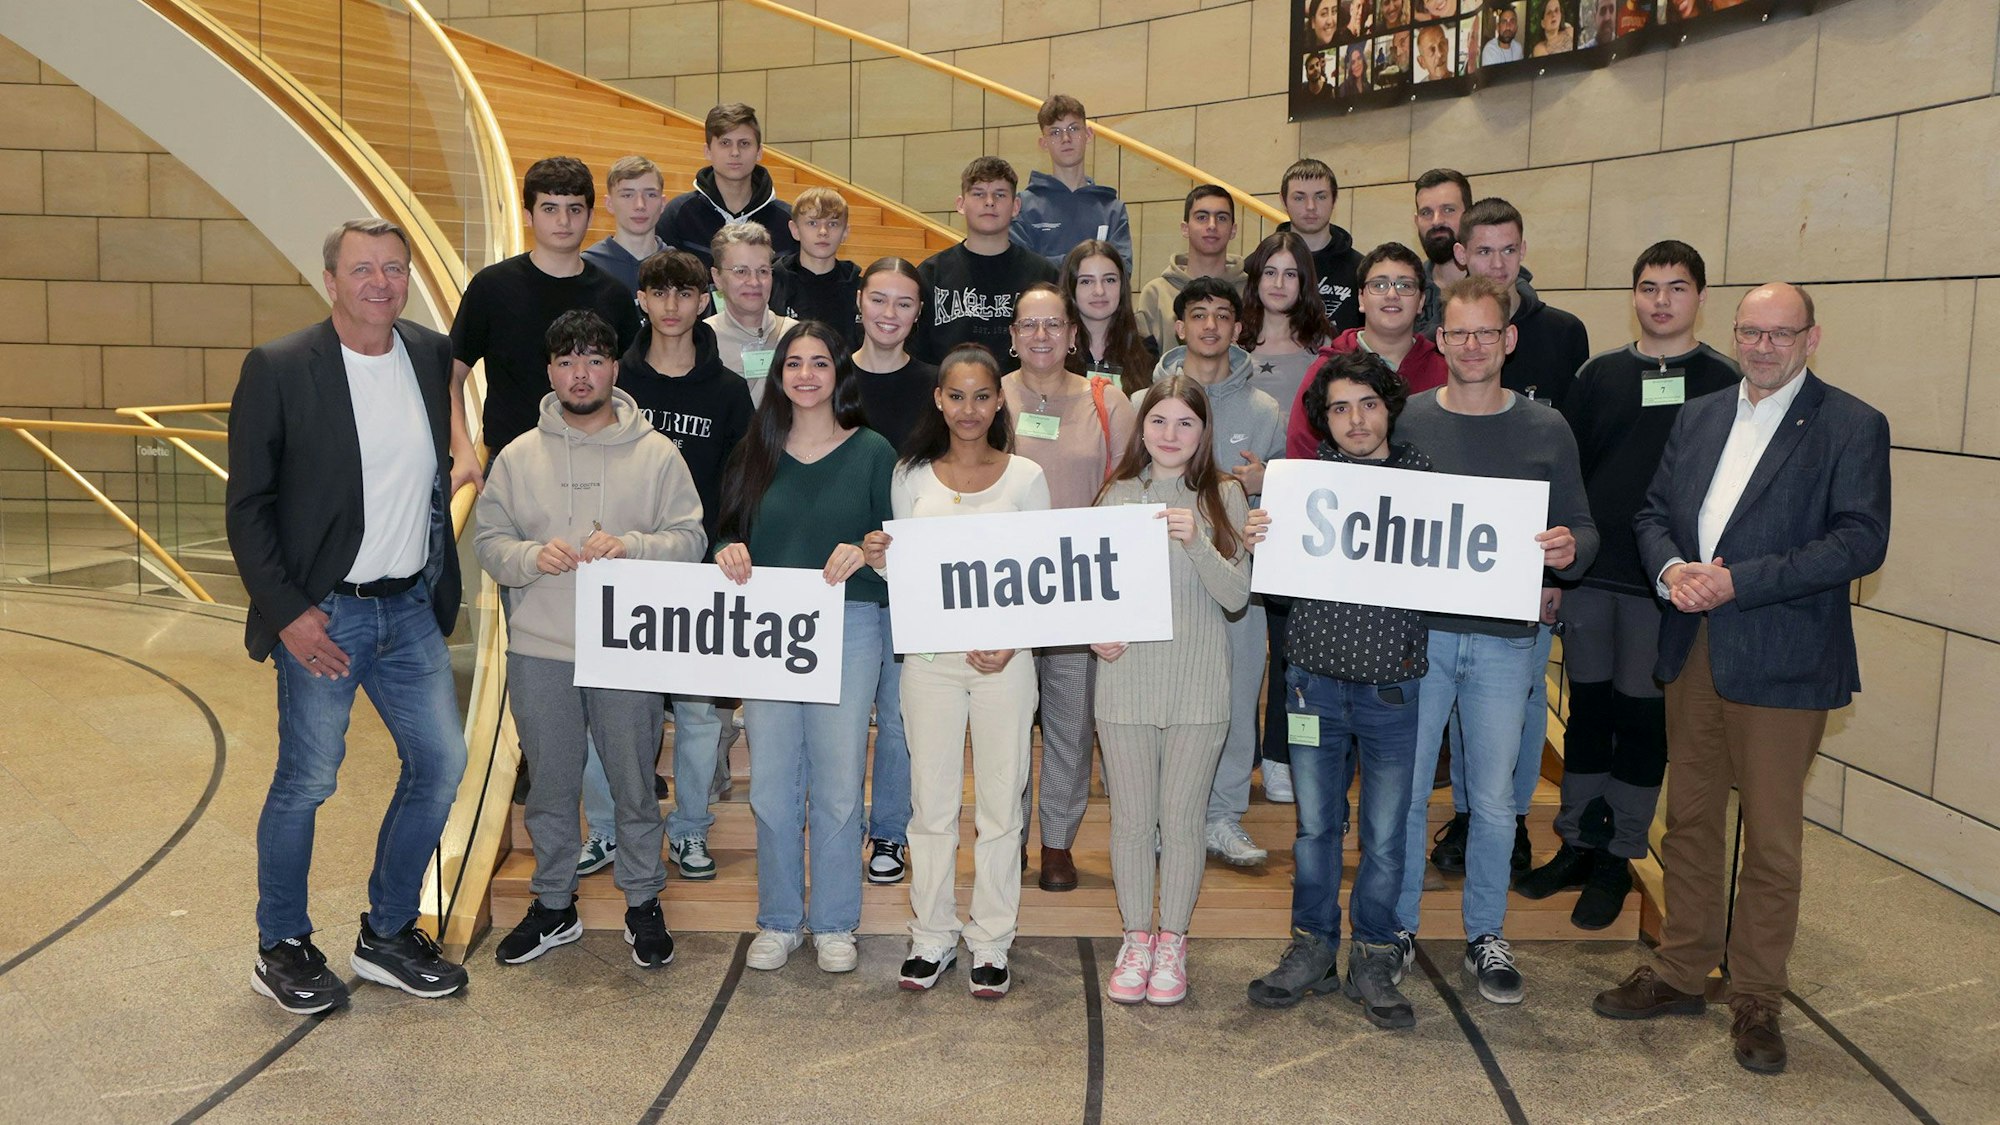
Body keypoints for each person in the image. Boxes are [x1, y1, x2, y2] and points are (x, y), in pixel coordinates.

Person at [1594, 283, 1891, 1075]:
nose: (1763, 347)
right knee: (1689, 819)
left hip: (1783, 656)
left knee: (1771, 837)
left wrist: (1738, 582)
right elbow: (1653, 512)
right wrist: (1671, 570)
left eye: (1780, 333)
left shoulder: (1851, 424)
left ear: (1812, 338)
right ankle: (1681, 968)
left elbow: (1860, 540)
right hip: (1692, 643)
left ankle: (1757, 994)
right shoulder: (1699, 415)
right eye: (1751, 332)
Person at [229, 218, 468, 1013]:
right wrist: (289, 613)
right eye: (363, 268)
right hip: (323, 615)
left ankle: (389, 932)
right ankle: (281, 944)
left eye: (394, 268)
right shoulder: (278, 367)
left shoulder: (429, 353)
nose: (380, 282)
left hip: (409, 608)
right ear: (330, 278)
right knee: (307, 778)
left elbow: (435, 465)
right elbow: (248, 508)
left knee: (441, 764)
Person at [476, 310, 706, 969]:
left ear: (614, 368)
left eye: (595, 360)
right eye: (568, 361)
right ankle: (554, 904)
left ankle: (643, 900)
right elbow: (489, 542)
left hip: (629, 647)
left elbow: (691, 539)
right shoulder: (518, 456)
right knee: (550, 786)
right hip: (541, 649)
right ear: (550, 372)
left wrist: (633, 546)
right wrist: (528, 557)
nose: (581, 374)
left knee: (634, 783)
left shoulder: (658, 453)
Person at [1517, 241, 1737, 928]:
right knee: (1588, 713)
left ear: (1700, 296)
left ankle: (1621, 851)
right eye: (1649, 287)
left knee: (1641, 720)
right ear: (1634, 295)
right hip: (1591, 576)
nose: (1661, 300)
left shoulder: (1725, 382)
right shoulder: (1600, 375)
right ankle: (1578, 841)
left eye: (1677, 287)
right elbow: (1567, 477)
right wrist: (1553, 575)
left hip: (1667, 587)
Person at [1393, 275, 1598, 1006]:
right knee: (1404, 792)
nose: (1473, 345)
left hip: (1507, 641)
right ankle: (1396, 926)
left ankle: (1486, 931)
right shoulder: (1407, 418)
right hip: (1417, 640)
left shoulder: (1547, 427)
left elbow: (1584, 526)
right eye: (1459, 333)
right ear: (1440, 340)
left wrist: (1569, 551)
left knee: (1493, 798)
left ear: (1509, 339)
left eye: (1487, 332)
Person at [1244, 349, 1428, 1029]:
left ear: (1390, 408)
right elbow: (1274, 585)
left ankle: (1374, 954)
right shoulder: (1299, 484)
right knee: (1315, 828)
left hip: (1391, 689)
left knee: (1384, 834)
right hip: (1311, 687)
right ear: (1324, 419)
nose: (1355, 420)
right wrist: (1259, 540)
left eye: (1368, 404)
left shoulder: (1427, 485)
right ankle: (1313, 948)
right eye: (1340, 408)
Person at [862, 345, 1051, 997]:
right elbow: (907, 572)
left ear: (999, 402)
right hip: (930, 662)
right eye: (957, 395)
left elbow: (1043, 579)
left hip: (1006, 664)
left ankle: (991, 940)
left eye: (982, 395)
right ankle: (932, 934)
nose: (969, 409)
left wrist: (1014, 641)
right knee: (931, 805)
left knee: (1001, 805)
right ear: (938, 400)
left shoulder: (1026, 478)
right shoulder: (910, 474)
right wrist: (880, 558)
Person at [714, 321, 896, 974]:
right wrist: (725, 550)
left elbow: (895, 543)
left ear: (839, 372)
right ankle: (780, 919)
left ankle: (836, 921)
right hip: (769, 634)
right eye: (794, 363)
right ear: (778, 374)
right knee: (770, 784)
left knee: (840, 782)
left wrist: (871, 551)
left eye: (820, 362)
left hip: (850, 627)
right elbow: (726, 531)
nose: (807, 375)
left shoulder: (873, 451)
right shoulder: (754, 449)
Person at [1094, 377, 1251, 1007]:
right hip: (1125, 683)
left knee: (1183, 822)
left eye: (1186, 422)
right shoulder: (1115, 495)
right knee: (1133, 822)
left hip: (1199, 687)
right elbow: (1090, 588)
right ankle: (1136, 937)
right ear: (1142, 427)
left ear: (1204, 432)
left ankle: (1173, 941)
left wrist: (1197, 542)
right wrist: (1094, 633)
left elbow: (1236, 596)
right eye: (1159, 420)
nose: (1170, 434)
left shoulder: (1225, 495)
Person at [608, 248, 756, 881]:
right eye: (659, 292)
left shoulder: (728, 390)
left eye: (685, 293)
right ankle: (613, 829)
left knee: (698, 713)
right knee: (621, 712)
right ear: (641, 299)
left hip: (701, 572)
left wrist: (728, 541)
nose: (672, 305)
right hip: (624, 568)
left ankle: (692, 828)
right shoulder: (616, 382)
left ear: (704, 301)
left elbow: (743, 481)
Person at [1001, 282, 1138, 892]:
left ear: (1073, 334)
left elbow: (1131, 491)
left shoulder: (1107, 402)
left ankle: (1057, 842)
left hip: (1080, 588)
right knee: (1005, 725)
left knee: (1070, 725)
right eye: (1028, 324)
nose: (1041, 335)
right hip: (1003, 588)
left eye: (1053, 324)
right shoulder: (988, 395)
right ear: (1012, 335)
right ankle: (1006, 837)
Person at [1153, 277, 1286, 867]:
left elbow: (1287, 501)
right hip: (1164, 581)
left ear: (1238, 327)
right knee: (1164, 698)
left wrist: (1268, 482)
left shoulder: (1263, 410)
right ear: (1179, 326)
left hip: (1237, 580)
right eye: (1199, 314)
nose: (1211, 325)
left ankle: (1222, 815)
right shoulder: (1146, 400)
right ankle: (1165, 817)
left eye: (1223, 315)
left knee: (1234, 694)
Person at [449, 156, 642, 489]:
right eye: (550, 209)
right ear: (528, 215)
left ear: (590, 216)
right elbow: (450, 376)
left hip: (598, 465)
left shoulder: (614, 295)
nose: (563, 221)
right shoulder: (491, 287)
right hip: (512, 466)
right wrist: (463, 450)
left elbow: (633, 386)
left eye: (575, 209)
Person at [1286, 242, 1446, 459]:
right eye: (1379, 285)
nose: (1392, 294)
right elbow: (1302, 451)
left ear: (1421, 302)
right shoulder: (1326, 369)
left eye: (1405, 286)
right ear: (1361, 298)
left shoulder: (1445, 373)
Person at [916, 156, 1059, 369]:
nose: (990, 201)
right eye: (978, 193)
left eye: (1000, 194)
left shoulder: (1044, 275)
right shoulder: (931, 274)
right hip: (949, 389)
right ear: (961, 204)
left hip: (1027, 389)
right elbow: (918, 353)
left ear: (1016, 206)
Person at [1454, 197, 1588, 409]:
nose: (1498, 264)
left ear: (1522, 250)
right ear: (1461, 254)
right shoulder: (1442, 340)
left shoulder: (1565, 332)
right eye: (1485, 252)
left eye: (1509, 250)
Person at [656, 102, 796, 266]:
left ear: (759, 152)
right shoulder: (679, 214)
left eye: (744, 143)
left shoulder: (788, 221)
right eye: (725, 143)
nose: (735, 152)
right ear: (708, 151)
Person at [1011, 94, 1134, 276]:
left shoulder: (1112, 210)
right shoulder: (1022, 206)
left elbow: (1121, 272)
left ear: (1088, 135)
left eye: (1074, 129)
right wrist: (1090, 261)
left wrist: (1051, 263)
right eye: (1055, 132)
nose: (1066, 138)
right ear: (1043, 143)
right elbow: (1021, 270)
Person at [1136, 184, 1247, 352]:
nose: (1212, 225)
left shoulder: (1252, 291)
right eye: (1202, 217)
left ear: (1233, 230)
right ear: (1185, 228)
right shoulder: (1156, 293)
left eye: (1221, 218)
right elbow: (1142, 361)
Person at [704, 221, 799, 407]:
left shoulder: (795, 336)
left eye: (763, 271)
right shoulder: (702, 340)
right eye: (741, 271)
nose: (754, 282)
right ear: (717, 278)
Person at [1241, 231, 1336, 413]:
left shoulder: (1321, 347)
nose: (1279, 284)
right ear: (1256, 278)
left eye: (1290, 275)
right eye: (1270, 272)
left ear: (1303, 282)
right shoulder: (1233, 342)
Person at [850, 257, 937, 452]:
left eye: (904, 305)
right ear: (859, 300)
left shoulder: (937, 384)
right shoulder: (832, 377)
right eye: (878, 300)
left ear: (918, 311)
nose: (889, 314)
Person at [1274, 159, 1364, 333]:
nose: (1311, 206)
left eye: (1320, 197)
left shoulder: (1361, 269)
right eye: (1299, 198)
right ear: (1283, 201)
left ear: (1334, 200)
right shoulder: (1260, 266)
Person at [1062, 239, 1157, 400]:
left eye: (1109, 280)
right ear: (1071, 288)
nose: (1099, 291)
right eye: (1086, 281)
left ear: (1122, 287)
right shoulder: (1054, 352)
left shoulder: (1147, 352)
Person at [774, 186, 863, 349]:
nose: (823, 232)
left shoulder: (860, 290)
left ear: (845, 232)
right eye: (812, 223)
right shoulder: (772, 284)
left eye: (833, 224)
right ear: (795, 230)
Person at [582, 155, 668, 294]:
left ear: (662, 204)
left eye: (651, 195)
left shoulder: (681, 266)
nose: (640, 205)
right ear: (609, 204)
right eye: (627, 195)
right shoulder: (587, 267)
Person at [1412, 167, 1473, 335]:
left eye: (1448, 210)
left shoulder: (1499, 288)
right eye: (1426, 212)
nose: (1437, 221)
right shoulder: (1408, 291)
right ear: (1416, 221)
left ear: (1469, 215)